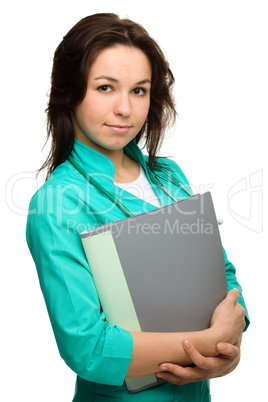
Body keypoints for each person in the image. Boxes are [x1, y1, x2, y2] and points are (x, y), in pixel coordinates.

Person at [26, 13, 249, 402]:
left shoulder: (169, 176)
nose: (125, 109)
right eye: (106, 88)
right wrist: (205, 342)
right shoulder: (57, 204)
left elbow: (221, 275)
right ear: (69, 92)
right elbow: (89, 348)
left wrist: (228, 347)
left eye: (139, 91)